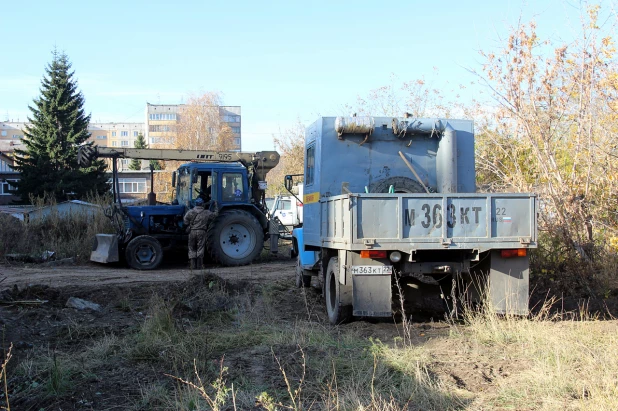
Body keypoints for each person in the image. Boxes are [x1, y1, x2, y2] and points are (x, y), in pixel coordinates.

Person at [183, 197, 214, 269]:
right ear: (202, 204)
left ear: (195, 204)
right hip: (202, 231)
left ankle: (192, 265)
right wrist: (216, 206)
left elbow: (185, 221)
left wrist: (189, 224)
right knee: (200, 247)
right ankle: (199, 265)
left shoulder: (190, 212)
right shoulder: (206, 212)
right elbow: (215, 215)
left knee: (191, 248)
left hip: (192, 231)